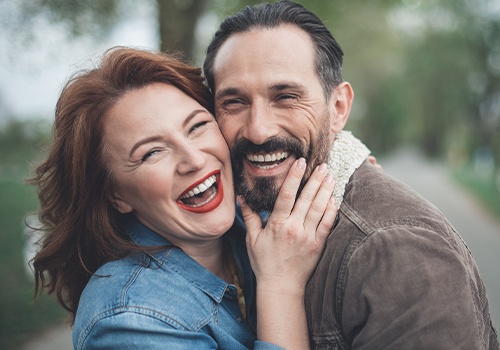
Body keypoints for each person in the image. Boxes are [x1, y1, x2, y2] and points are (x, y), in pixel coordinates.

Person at [203, 1, 499, 349]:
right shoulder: (236, 219)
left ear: (338, 108)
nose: (258, 130)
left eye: (285, 97)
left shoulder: (397, 252)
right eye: (234, 103)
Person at [29, 47, 339, 349]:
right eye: (152, 152)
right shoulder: (129, 321)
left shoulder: (249, 217)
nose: (194, 159)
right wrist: (280, 287)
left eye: (198, 126)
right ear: (116, 195)